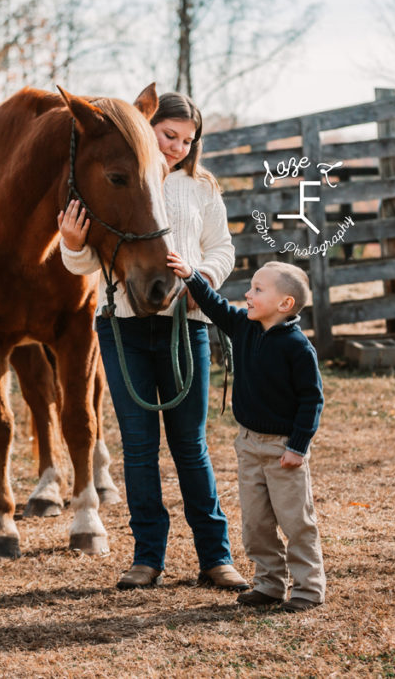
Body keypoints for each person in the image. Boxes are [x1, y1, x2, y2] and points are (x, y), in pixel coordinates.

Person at [57, 91, 248, 592]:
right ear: (147, 128)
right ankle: (147, 557)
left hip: (186, 327)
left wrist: (200, 283)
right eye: (169, 135)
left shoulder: (200, 187)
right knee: (139, 448)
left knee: (190, 445)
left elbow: (221, 248)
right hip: (122, 327)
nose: (179, 147)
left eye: (188, 140)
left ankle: (216, 556)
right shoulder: (126, 181)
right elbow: (84, 267)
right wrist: (72, 245)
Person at [165, 252, 326, 613]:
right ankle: (269, 583)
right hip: (249, 444)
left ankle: (308, 589)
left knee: (296, 522)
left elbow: (312, 400)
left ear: (285, 304)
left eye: (257, 289)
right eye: (251, 288)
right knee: (256, 524)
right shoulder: (244, 326)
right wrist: (192, 276)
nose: (248, 295)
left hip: (284, 449)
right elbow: (215, 305)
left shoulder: (297, 347)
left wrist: (297, 447)